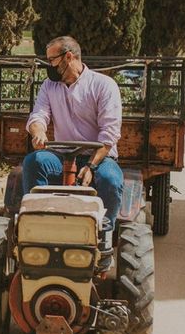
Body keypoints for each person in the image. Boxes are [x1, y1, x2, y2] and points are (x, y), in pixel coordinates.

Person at [23, 36, 124, 230]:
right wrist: (38, 132)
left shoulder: (104, 85)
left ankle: (104, 234)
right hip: (62, 156)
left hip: (99, 158)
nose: (49, 65)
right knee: (33, 161)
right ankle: (37, 224)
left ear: (68, 57)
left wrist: (91, 167)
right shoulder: (49, 86)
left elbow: (109, 133)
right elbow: (38, 116)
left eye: (52, 60)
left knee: (111, 180)